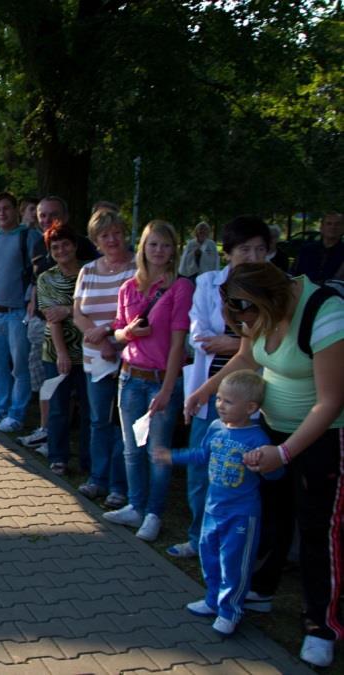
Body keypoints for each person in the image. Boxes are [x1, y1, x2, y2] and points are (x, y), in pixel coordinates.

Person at [185, 261, 344, 668]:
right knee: (271, 515)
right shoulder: (253, 312)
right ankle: (261, 589)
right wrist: (202, 392)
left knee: (316, 529)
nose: (246, 324)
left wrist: (287, 452)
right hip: (271, 433)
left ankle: (321, 625)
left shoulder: (325, 314)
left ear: (270, 300)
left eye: (249, 316)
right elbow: (244, 359)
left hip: (321, 440)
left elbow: (330, 401)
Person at [171, 216, 271, 559]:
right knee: (202, 467)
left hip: (253, 395)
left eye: (261, 249)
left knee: (245, 471)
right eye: (245, 249)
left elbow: (264, 343)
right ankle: (199, 535)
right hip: (210, 390)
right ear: (228, 252)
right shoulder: (209, 282)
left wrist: (232, 343)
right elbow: (199, 337)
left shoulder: (275, 286)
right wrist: (245, 343)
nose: (254, 256)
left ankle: (238, 545)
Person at [155, 370, 283, 636]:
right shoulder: (215, 428)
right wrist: (172, 456)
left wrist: (263, 466)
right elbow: (202, 454)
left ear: (251, 407)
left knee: (234, 563)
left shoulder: (257, 439)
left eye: (228, 402)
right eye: (219, 399)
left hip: (241, 515)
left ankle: (230, 610)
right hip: (213, 510)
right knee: (210, 556)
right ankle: (213, 599)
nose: (220, 405)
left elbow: (276, 473)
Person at [103, 219, 192, 543]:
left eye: (165, 245)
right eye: (153, 244)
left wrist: (168, 389)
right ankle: (135, 505)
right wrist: (126, 333)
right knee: (131, 449)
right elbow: (117, 330)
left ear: (173, 251)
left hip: (159, 379)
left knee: (157, 451)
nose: (158, 251)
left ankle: (154, 512)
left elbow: (178, 343)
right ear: (143, 247)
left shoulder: (180, 287)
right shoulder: (129, 286)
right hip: (129, 377)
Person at [72, 209, 137, 506]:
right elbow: (78, 314)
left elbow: (141, 311)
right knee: (98, 420)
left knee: (124, 424)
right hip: (96, 356)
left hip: (131, 355)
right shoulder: (88, 271)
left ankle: (119, 485)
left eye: (116, 233)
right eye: (105, 235)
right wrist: (97, 337)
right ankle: (97, 478)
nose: (112, 240)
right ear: (96, 240)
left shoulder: (138, 267)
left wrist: (110, 333)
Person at [0, 191, 45, 433]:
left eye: (6, 208)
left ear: (16, 209)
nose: (2, 214)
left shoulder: (29, 236)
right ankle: (1, 406)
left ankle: (17, 414)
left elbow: (38, 272)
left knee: (20, 367)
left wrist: (31, 299)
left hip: (18, 313)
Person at [37, 223, 91, 476]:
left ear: (75, 245)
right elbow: (52, 317)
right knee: (58, 407)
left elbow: (95, 310)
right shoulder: (46, 278)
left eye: (65, 244)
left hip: (90, 352)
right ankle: (58, 456)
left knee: (89, 409)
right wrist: (62, 354)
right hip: (57, 351)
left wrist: (68, 310)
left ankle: (88, 460)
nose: (61, 250)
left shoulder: (90, 274)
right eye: (55, 247)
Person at [292, 211, 344, 284]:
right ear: (321, 228)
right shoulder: (306, 250)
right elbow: (295, 275)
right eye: (329, 223)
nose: (333, 227)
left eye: (337, 224)